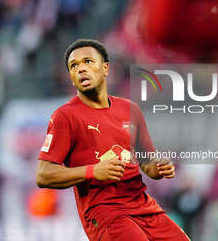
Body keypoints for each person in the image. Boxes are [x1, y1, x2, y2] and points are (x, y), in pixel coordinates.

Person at [36, 39, 190, 241]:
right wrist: (93, 171)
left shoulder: (130, 109)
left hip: (143, 207)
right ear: (71, 77)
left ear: (106, 68)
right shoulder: (65, 117)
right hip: (106, 213)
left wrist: (159, 168)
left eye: (88, 62)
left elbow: (148, 165)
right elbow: (43, 175)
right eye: (74, 66)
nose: (81, 69)